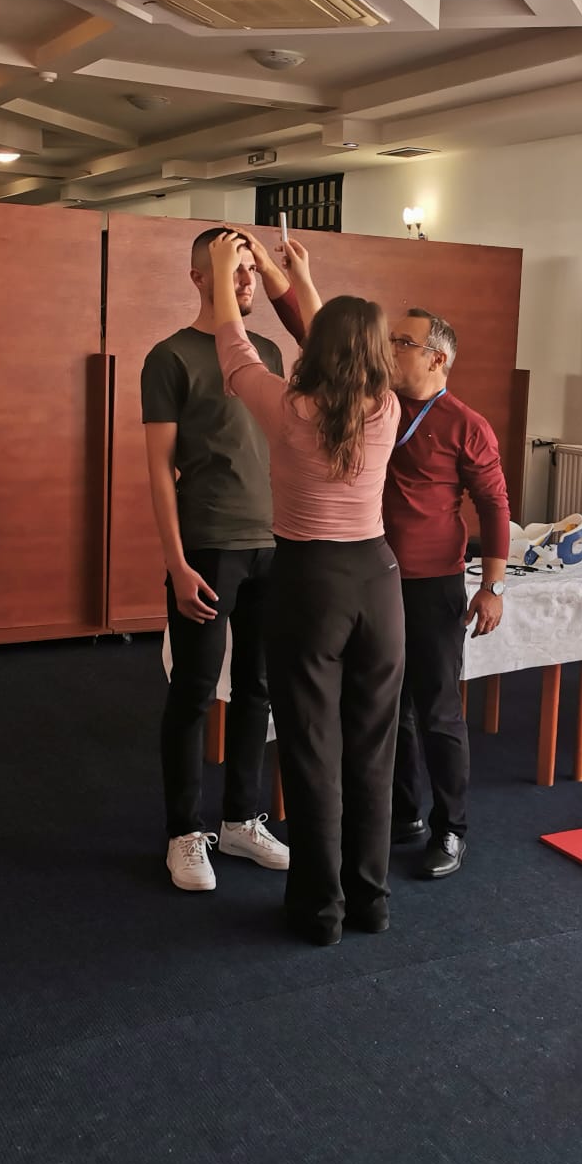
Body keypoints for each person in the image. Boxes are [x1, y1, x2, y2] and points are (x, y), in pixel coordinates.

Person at [211, 231, 403, 946]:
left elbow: (234, 349)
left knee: (312, 752)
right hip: (378, 584)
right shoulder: (385, 408)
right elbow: (334, 345)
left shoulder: (289, 409)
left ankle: (320, 914)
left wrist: (225, 271)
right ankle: (371, 902)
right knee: (372, 751)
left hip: (310, 585)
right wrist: (294, 280)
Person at [141, 227, 315, 892]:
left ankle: (242, 819)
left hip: (272, 545)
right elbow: (159, 471)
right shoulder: (169, 357)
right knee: (192, 691)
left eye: (250, 269)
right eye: (232, 268)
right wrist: (176, 561)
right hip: (208, 546)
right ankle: (184, 833)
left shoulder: (263, 351)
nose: (246, 281)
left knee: (258, 689)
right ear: (200, 277)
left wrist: (277, 270)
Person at [383, 308, 510, 879]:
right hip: (374, 580)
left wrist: (492, 586)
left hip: (433, 584)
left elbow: (494, 505)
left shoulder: (465, 424)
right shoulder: (377, 406)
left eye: (402, 342)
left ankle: (451, 828)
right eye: (391, 339)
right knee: (387, 705)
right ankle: (403, 812)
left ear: (436, 358)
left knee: (436, 709)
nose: (391, 349)